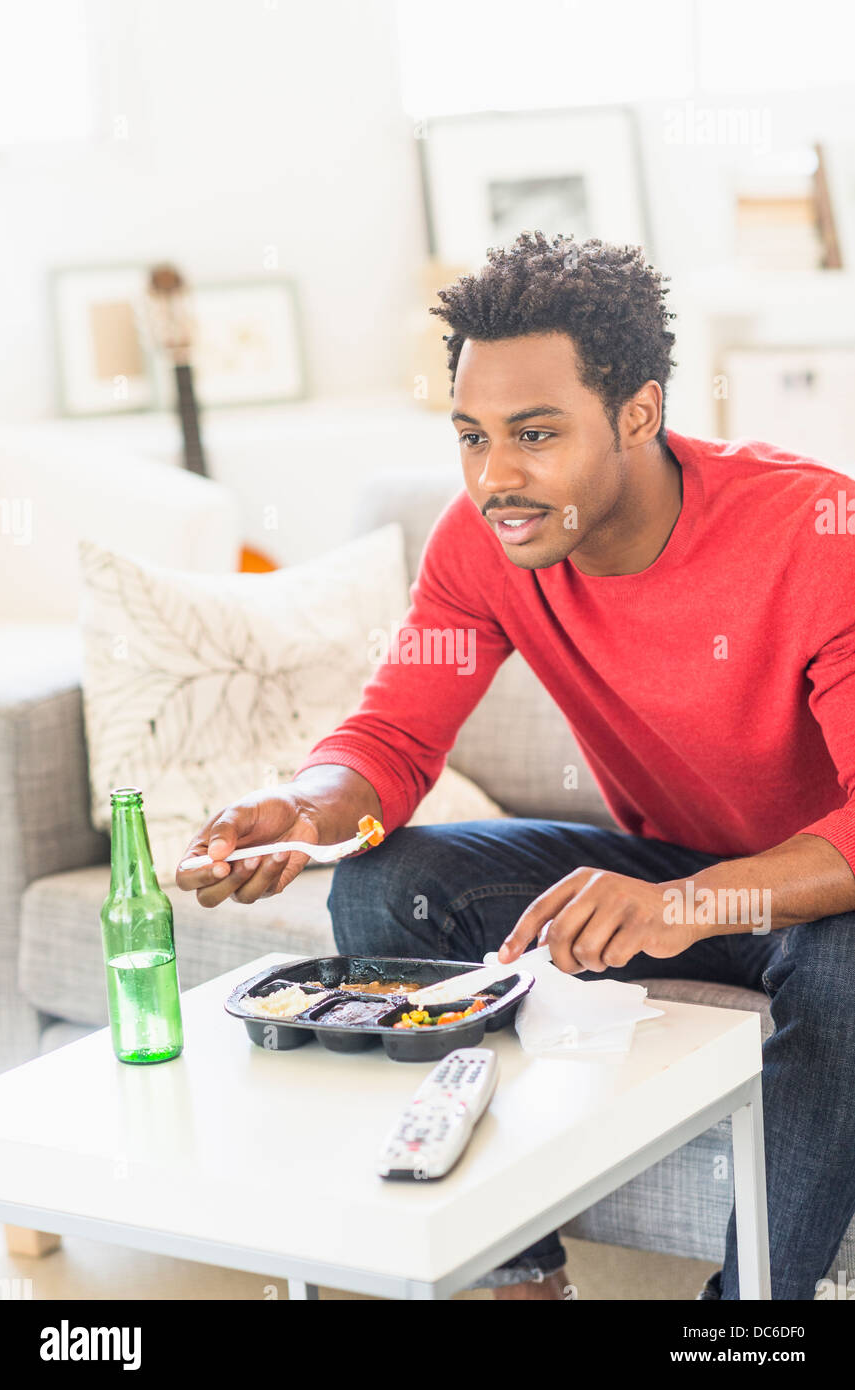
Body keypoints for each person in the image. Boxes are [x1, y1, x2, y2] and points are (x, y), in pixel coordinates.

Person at [177, 232, 855, 1301]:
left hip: (821, 891)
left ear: (638, 411)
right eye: (471, 436)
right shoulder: (484, 541)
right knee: (383, 882)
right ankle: (517, 1279)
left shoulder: (813, 530)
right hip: (668, 866)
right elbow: (393, 738)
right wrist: (303, 809)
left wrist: (687, 904)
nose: (497, 477)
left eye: (535, 434)